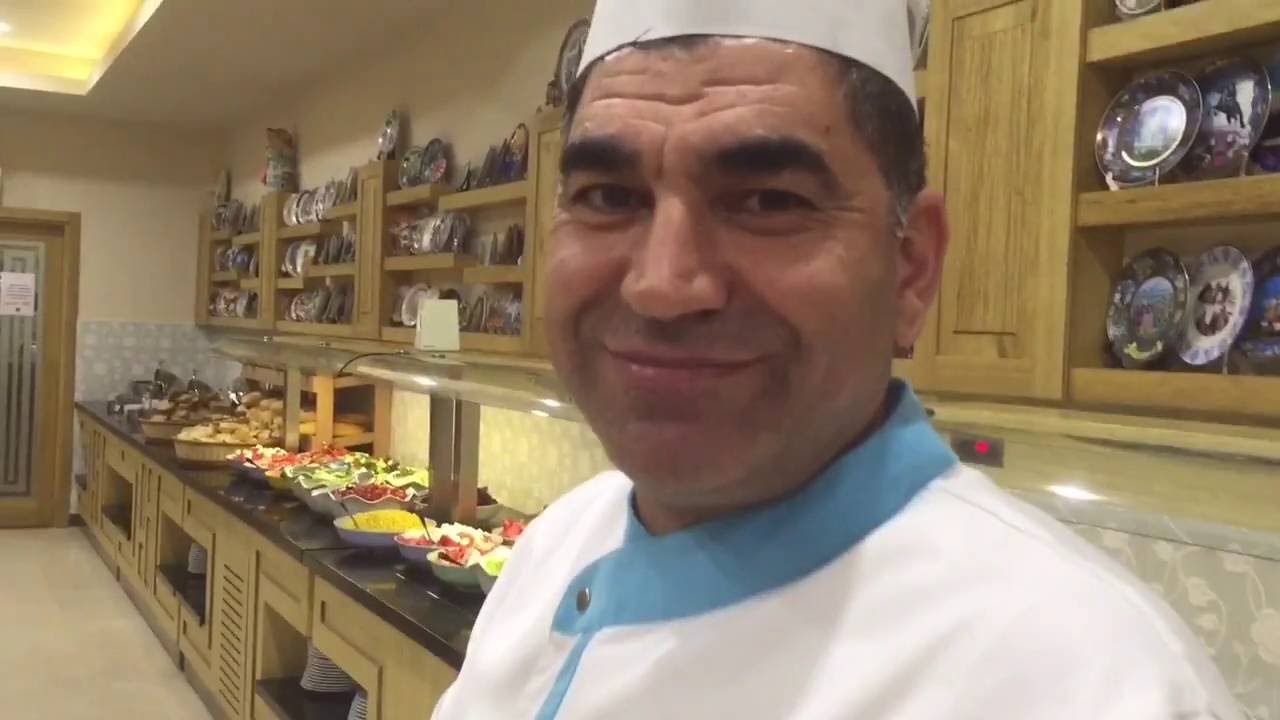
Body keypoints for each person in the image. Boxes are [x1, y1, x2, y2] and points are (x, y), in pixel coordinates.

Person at [433, 1, 1242, 717]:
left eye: (769, 202)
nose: (662, 285)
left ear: (911, 268)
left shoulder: (1097, 685)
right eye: (608, 197)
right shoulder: (555, 545)